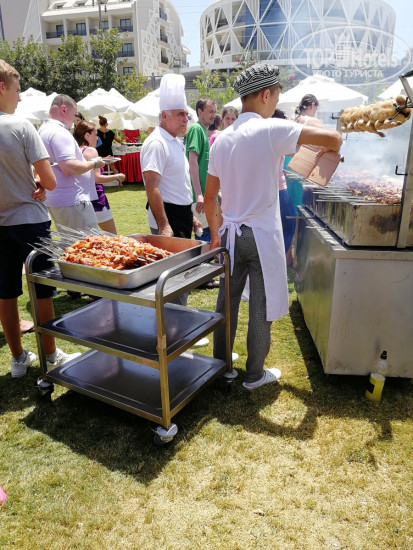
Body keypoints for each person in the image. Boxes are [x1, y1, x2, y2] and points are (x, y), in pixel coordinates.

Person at [204, 64, 342, 391]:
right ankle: (254, 375)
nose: (274, 103)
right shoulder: (270, 129)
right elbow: (334, 138)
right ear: (266, 95)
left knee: (226, 303)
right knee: (260, 306)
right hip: (260, 235)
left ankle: (222, 366)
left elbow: (210, 199)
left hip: (230, 235)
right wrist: (310, 130)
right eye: (276, 98)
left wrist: (214, 235)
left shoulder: (222, 139)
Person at [0, 60, 81, 378]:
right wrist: (37, 181)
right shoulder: (21, 127)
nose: (19, 97)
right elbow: (49, 181)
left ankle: (18, 358)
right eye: (17, 90)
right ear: (2, 88)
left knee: (6, 293)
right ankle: (50, 354)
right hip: (30, 220)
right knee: (43, 289)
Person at [39, 95, 105, 233]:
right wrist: (94, 163)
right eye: (74, 115)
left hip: (58, 199)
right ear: (63, 109)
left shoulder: (43, 129)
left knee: (71, 242)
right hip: (72, 201)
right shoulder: (59, 132)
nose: (74, 120)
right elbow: (69, 167)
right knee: (88, 243)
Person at [74, 120, 125, 234]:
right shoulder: (91, 151)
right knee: (112, 236)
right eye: (95, 135)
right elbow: (97, 178)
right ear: (87, 135)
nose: (97, 138)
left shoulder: (76, 151)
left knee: (89, 237)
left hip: (81, 199)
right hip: (96, 198)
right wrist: (117, 176)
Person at [186, 98, 217, 243]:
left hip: (206, 196)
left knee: (208, 238)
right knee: (204, 240)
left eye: (215, 112)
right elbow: (192, 161)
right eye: (210, 111)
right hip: (200, 198)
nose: (213, 115)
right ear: (200, 112)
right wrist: (199, 194)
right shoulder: (196, 129)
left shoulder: (203, 131)